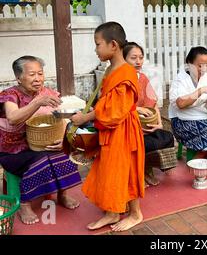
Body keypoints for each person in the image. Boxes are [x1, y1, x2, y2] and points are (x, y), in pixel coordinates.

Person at [71, 22, 145, 231]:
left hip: (123, 130)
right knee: (109, 170)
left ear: (113, 45)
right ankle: (113, 212)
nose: (96, 50)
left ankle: (135, 213)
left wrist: (86, 119)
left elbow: (114, 113)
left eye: (98, 44)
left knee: (125, 170)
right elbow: (107, 103)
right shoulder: (111, 69)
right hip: (111, 131)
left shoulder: (126, 73)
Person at [0, 56, 81, 225]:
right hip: (14, 150)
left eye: (40, 73)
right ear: (19, 78)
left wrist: (63, 138)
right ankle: (24, 202)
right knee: (43, 159)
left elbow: (59, 117)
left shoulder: (46, 92)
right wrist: (37, 102)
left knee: (65, 151)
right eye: (31, 74)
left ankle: (62, 194)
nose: (37, 78)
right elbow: (13, 118)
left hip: (40, 143)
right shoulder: (10, 95)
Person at [123, 42, 175, 186]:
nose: (138, 61)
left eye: (141, 57)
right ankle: (141, 171)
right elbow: (119, 107)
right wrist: (137, 109)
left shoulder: (143, 78)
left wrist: (158, 124)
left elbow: (152, 104)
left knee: (167, 137)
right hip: (129, 129)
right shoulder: (120, 80)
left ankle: (147, 167)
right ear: (123, 59)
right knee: (141, 144)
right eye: (133, 58)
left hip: (145, 126)